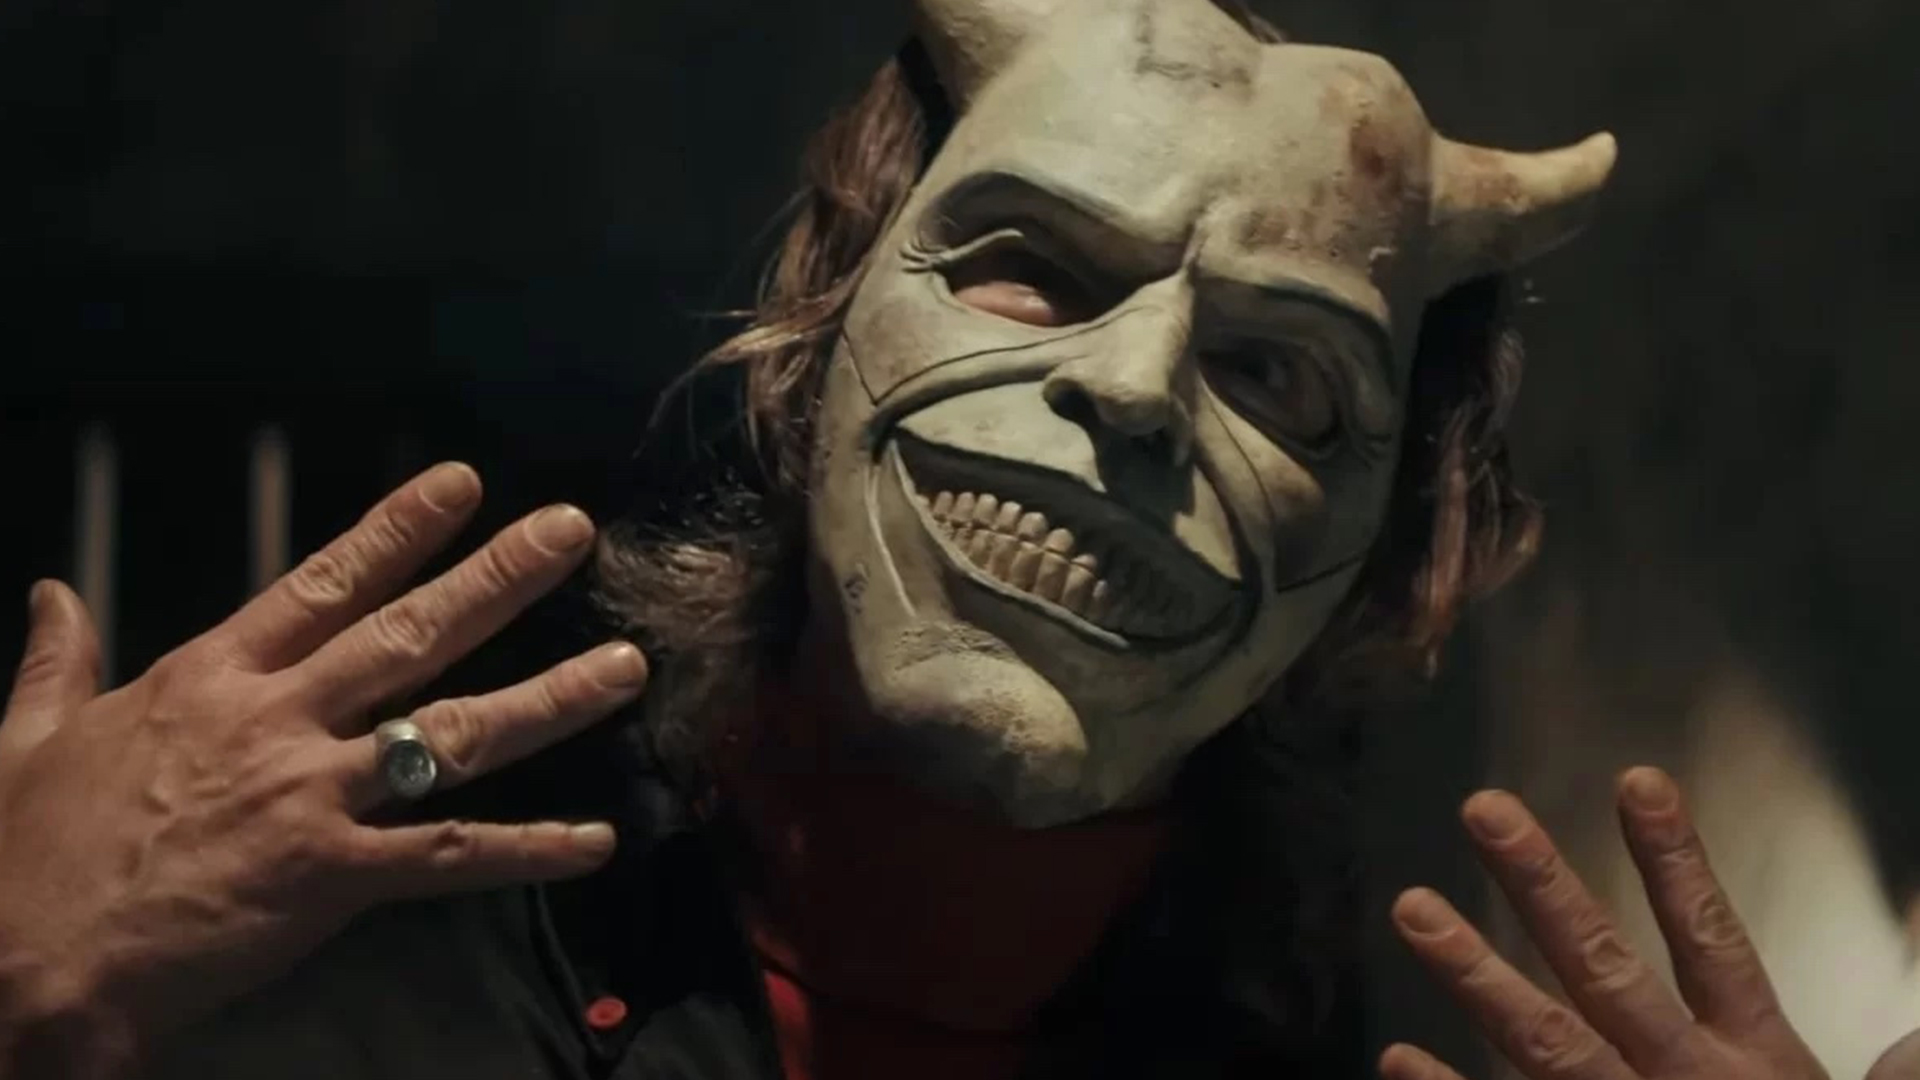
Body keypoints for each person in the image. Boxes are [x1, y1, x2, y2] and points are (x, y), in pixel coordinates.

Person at [1, 1, 1915, 1078]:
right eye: (1033, 269)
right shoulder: (299, 969)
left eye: (1285, 373)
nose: (1139, 389)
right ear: (816, 328)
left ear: (1397, 551)